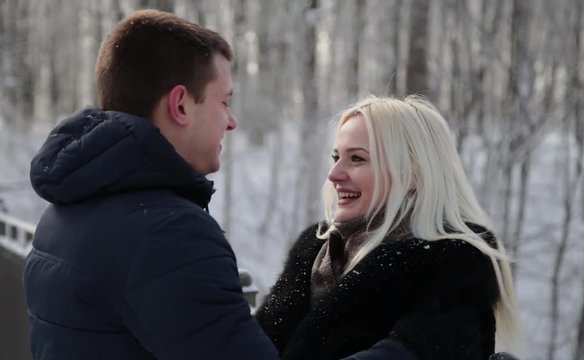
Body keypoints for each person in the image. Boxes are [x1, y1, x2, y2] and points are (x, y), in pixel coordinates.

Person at [24, 9, 424, 360]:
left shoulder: (67, 208)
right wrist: (408, 348)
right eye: (224, 101)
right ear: (180, 105)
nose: (231, 121)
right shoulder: (168, 236)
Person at [256, 95, 522, 359]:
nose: (334, 174)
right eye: (336, 157)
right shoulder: (316, 252)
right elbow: (254, 344)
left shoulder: (453, 265)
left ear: (414, 172)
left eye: (357, 159)